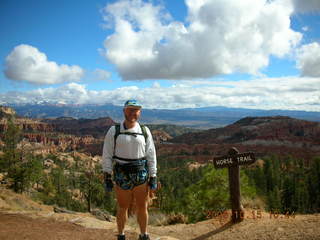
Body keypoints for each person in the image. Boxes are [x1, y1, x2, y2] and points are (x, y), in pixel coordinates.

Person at [102, 99, 157, 240]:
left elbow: (151, 154)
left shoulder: (144, 131)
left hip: (141, 174)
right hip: (122, 174)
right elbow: (107, 154)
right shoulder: (114, 130)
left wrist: (153, 175)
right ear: (124, 111)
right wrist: (107, 175)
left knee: (142, 207)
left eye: (136, 110)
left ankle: (144, 234)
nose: (133, 113)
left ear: (140, 112)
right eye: (130, 109)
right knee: (122, 207)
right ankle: (121, 235)